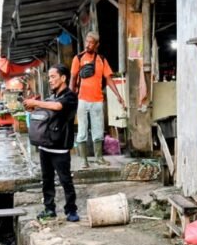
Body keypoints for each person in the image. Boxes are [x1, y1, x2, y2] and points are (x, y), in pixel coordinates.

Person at [23, 64, 79, 221]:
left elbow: (57, 107)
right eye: (49, 77)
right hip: (45, 146)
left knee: (65, 180)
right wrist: (31, 108)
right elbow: (46, 110)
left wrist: (36, 103)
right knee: (47, 180)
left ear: (63, 78)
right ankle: (49, 209)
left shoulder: (70, 96)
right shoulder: (51, 96)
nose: (50, 80)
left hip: (60, 148)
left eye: (53, 77)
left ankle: (71, 210)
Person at [69, 31, 126, 168]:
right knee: (82, 130)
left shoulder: (101, 59)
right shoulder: (78, 58)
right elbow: (73, 78)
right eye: (87, 42)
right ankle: (84, 160)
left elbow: (108, 79)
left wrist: (118, 95)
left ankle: (99, 158)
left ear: (97, 45)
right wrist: (70, 97)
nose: (88, 45)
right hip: (82, 100)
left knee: (98, 130)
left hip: (97, 101)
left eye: (91, 43)